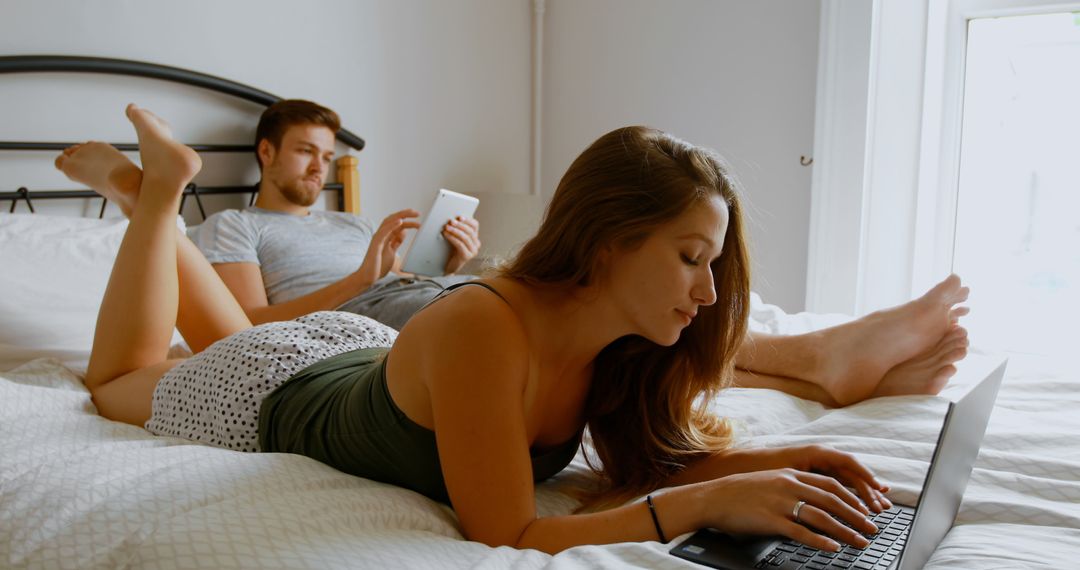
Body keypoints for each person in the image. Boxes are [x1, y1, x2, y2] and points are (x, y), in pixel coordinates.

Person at [55, 104, 972, 554]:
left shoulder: (614, 342)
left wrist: (778, 474)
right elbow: (508, 531)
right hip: (267, 386)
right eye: (690, 259)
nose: (705, 293)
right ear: (609, 244)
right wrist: (698, 505)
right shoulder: (484, 326)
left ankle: (150, 195)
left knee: (182, 343)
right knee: (116, 381)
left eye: (712, 265)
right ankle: (157, 197)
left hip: (353, 347)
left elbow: (640, 463)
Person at [188, 99, 482, 331]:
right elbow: (249, 322)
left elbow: (407, 282)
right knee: (484, 308)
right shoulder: (234, 224)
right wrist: (358, 281)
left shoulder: (355, 223)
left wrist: (450, 267)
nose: (319, 167)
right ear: (266, 152)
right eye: (306, 151)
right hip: (354, 317)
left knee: (509, 290)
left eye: (327, 157)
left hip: (413, 296)